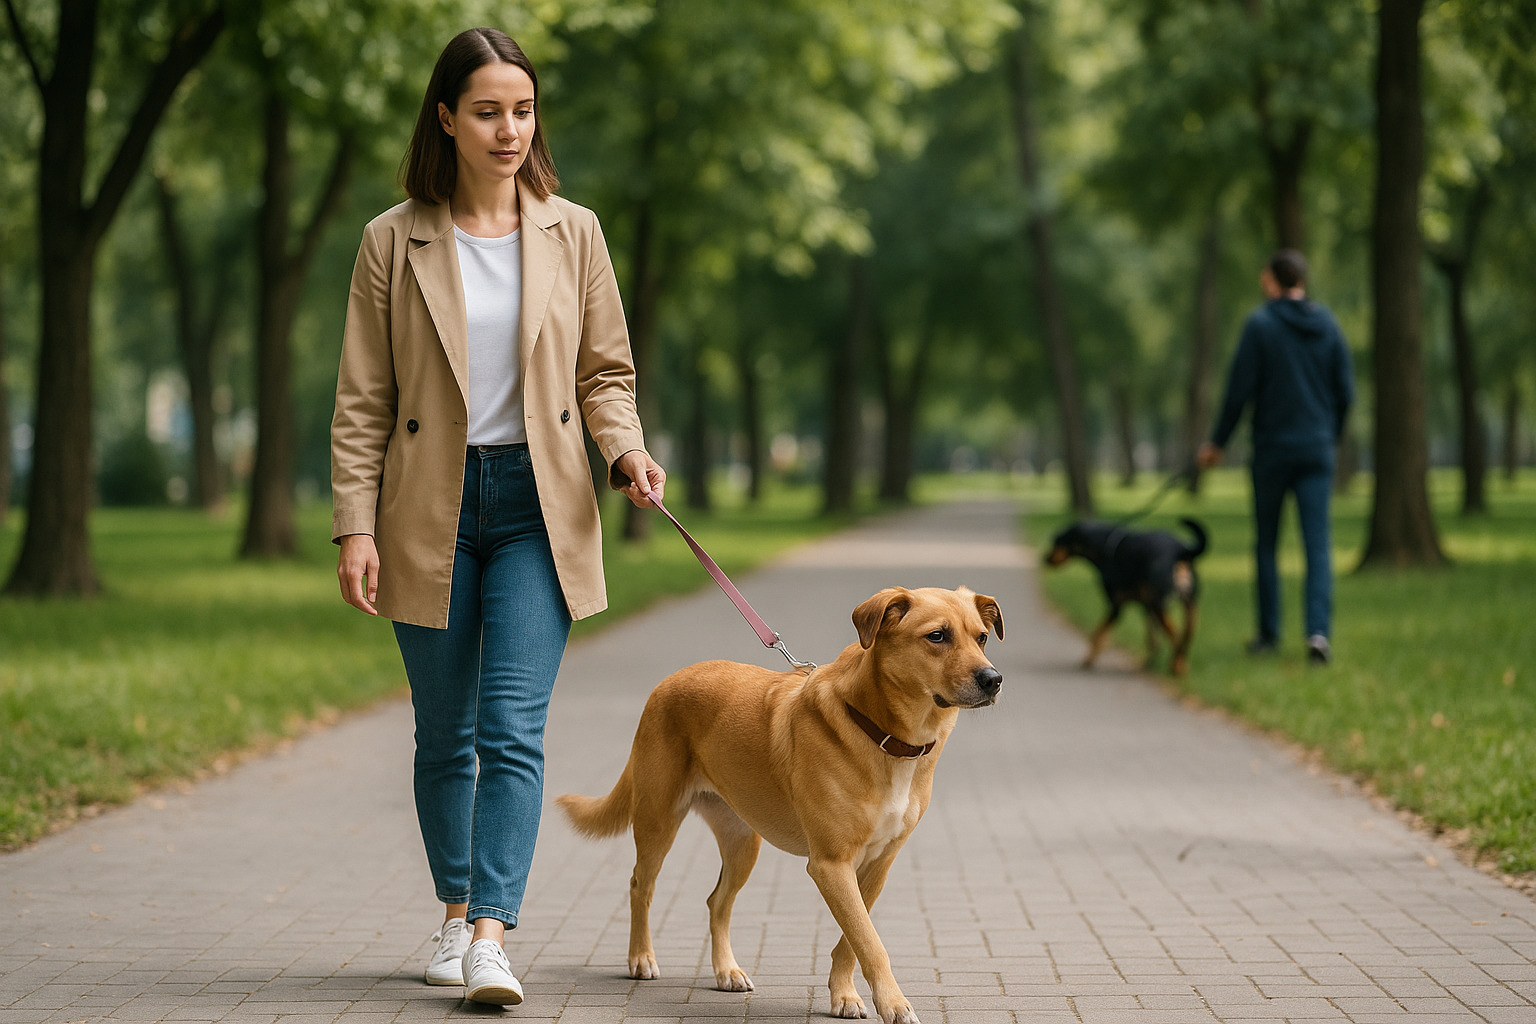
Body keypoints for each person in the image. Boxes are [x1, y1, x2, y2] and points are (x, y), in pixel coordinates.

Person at [329, 27, 666, 1006]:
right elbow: (361, 401)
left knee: (512, 728)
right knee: (445, 735)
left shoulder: (577, 231)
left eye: (522, 109)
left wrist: (628, 450)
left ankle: (488, 936)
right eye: (488, 110)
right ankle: (452, 908)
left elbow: (606, 373)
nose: (510, 128)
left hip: (538, 504)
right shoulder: (392, 239)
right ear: (446, 117)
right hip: (425, 504)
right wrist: (355, 524)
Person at [1198, 249, 1354, 665]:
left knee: (1266, 543)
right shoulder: (1329, 325)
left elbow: (1238, 391)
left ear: (1271, 281)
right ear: (1302, 280)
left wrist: (1216, 442)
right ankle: (1318, 633)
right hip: (1317, 450)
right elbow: (1346, 391)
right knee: (1317, 544)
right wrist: (1329, 435)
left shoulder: (1261, 325)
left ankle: (1269, 633)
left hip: (1271, 450)